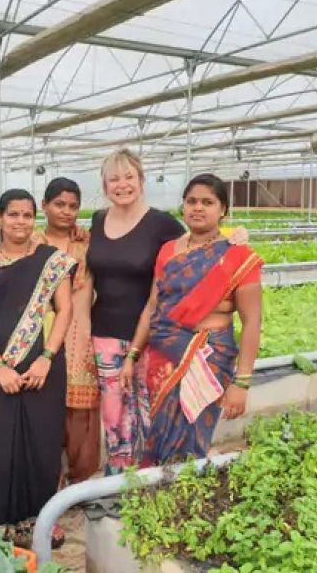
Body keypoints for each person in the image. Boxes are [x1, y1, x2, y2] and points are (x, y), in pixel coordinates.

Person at [0, 189, 74, 548]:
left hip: (42, 367)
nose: (21, 222)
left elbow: (64, 311)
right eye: (13, 214)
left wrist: (47, 357)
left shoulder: (52, 260)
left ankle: (38, 523)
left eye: (27, 215)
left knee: (41, 445)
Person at [130, 174, 262, 464]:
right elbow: (153, 305)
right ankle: (154, 499)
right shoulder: (168, 251)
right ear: (183, 207)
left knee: (191, 438)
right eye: (191, 201)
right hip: (163, 356)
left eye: (207, 202)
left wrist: (242, 382)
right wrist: (133, 354)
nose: (198, 208)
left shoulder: (239, 256)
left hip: (209, 358)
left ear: (223, 209)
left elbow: (252, 322)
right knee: (157, 432)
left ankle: (183, 500)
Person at [86, 148, 184, 474]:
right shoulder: (98, 220)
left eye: (129, 177)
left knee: (147, 410)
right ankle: (116, 482)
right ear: (104, 184)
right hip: (105, 334)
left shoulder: (162, 224)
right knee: (113, 415)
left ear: (141, 181)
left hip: (150, 336)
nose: (122, 184)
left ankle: (148, 479)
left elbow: (196, 251)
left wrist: (234, 238)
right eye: (114, 178)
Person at [33, 177, 100, 484]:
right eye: (59, 204)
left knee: (80, 413)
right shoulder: (31, 243)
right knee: (44, 408)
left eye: (73, 206)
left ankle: (80, 480)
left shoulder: (86, 244)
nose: (66, 212)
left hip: (80, 335)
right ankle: (48, 478)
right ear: (44, 205)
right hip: (39, 336)